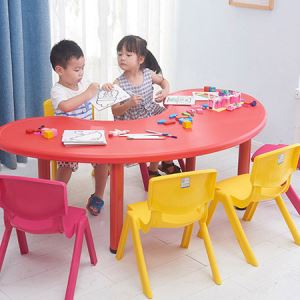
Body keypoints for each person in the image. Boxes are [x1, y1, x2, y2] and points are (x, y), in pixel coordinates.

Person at [102, 35, 181, 177]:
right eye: (119, 54)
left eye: (128, 54)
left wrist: (165, 91)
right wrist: (128, 103)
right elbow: (114, 109)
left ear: (140, 59)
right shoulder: (118, 83)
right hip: (132, 121)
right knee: (153, 138)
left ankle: (159, 165)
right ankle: (154, 168)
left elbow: (164, 82)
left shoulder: (148, 74)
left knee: (170, 126)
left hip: (151, 112)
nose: (122, 58)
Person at [50, 39, 108, 216]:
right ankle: (54, 197)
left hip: (87, 134)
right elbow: (66, 106)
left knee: (103, 161)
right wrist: (88, 93)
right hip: (67, 138)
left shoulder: (83, 83)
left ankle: (98, 196)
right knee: (66, 165)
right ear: (60, 70)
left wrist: (103, 88)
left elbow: (96, 95)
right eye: (76, 69)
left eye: (83, 68)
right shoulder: (58, 90)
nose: (81, 73)